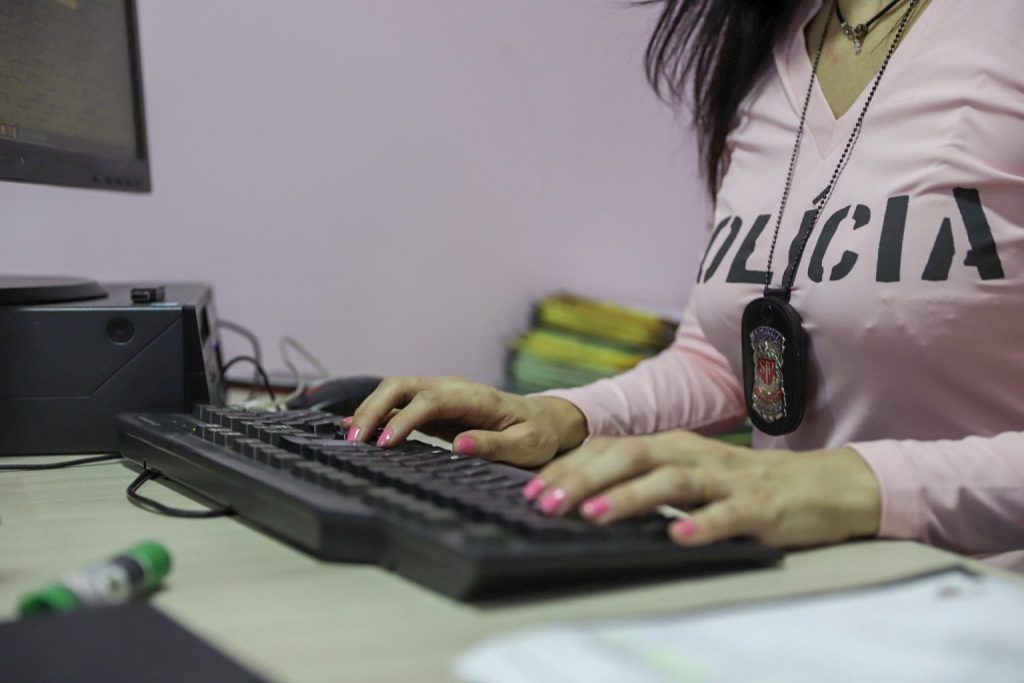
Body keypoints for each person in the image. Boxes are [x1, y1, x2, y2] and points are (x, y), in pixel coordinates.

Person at [343, 0, 1024, 570]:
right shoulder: (770, 37)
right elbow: (724, 363)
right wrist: (563, 416)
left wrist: (852, 483)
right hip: (797, 598)